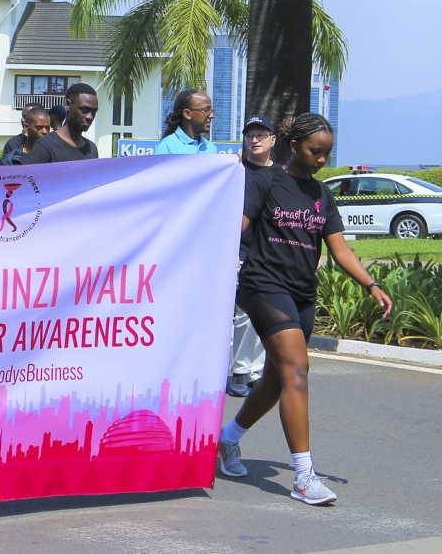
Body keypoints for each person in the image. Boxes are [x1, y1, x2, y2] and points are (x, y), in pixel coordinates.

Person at [217, 114, 392, 506]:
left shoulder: (322, 195)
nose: (322, 160)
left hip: (302, 293)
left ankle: (227, 441)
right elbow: (233, 227)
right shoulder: (266, 182)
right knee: (298, 369)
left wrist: (372, 284)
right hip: (262, 286)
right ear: (294, 145)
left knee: (278, 380)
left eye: (328, 154)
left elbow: (340, 249)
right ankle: (303, 476)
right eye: (316, 151)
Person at [228, 115, 278, 398]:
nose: (255, 140)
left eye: (261, 134)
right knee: (244, 315)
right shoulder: (234, 170)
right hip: (237, 254)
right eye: (250, 135)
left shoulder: (281, 175)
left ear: (273, 140)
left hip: (271, 256)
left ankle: (252, 371)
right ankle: (240, 371)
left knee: (263, 314)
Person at [24, 83, 99, 164]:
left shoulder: (91, 149)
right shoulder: (45, 146)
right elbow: (35, 176)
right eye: (84, 110)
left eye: (94, 112)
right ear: (68, 104)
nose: (90, 117)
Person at [155, 89, 217, 154]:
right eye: (206, 110)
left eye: (211, 110)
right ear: (187, 113)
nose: (212, 115)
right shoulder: (167, 146)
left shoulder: (211, 148)